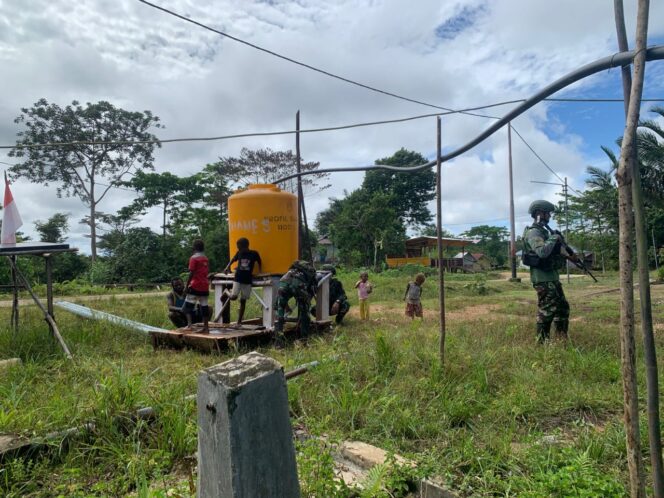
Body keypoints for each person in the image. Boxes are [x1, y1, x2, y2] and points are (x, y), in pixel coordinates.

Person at [522, 200, 573, 343]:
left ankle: (561, 338)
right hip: (543, 279)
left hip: (552, 277)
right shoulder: (534, 232)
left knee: (562, 308)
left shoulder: (544, 232)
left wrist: (570, 255)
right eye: (547, 213)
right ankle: (542, 343)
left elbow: (555, 251)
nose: (549, 216)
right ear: (539, 213)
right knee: (547, 310)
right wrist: (554, 237)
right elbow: (542, 252)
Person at [275, 260, 318, 339]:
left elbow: (278, 301)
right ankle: (303, 339)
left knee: (279, 311)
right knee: (305, 312)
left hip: (283, 282)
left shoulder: (292, 269)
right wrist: (306, 303)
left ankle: (278, 341)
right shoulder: (312, 274)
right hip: (298, 284)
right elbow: (312, 292)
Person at [226, 237, 262, 324]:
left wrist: (260, 272)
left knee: (243, 300)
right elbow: (232, 260)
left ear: (244, 246)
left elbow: (259, 261)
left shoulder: (254, 253)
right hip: (238, 278)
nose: (237, 248)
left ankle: (239, 322)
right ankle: (226, 292)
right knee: (234, 297)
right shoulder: (239, 253)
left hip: (247, 279)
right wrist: (227, 268)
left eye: (238, 246)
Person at [183, 239, 210, 334]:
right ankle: (206, 327)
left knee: (187, 307)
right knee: (204, 306)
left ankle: (189, 325)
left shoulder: (193, 258)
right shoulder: (205, 258)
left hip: (195, 285)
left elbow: (191, 273)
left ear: (194, 247)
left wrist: (186, 286)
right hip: (205, 286)